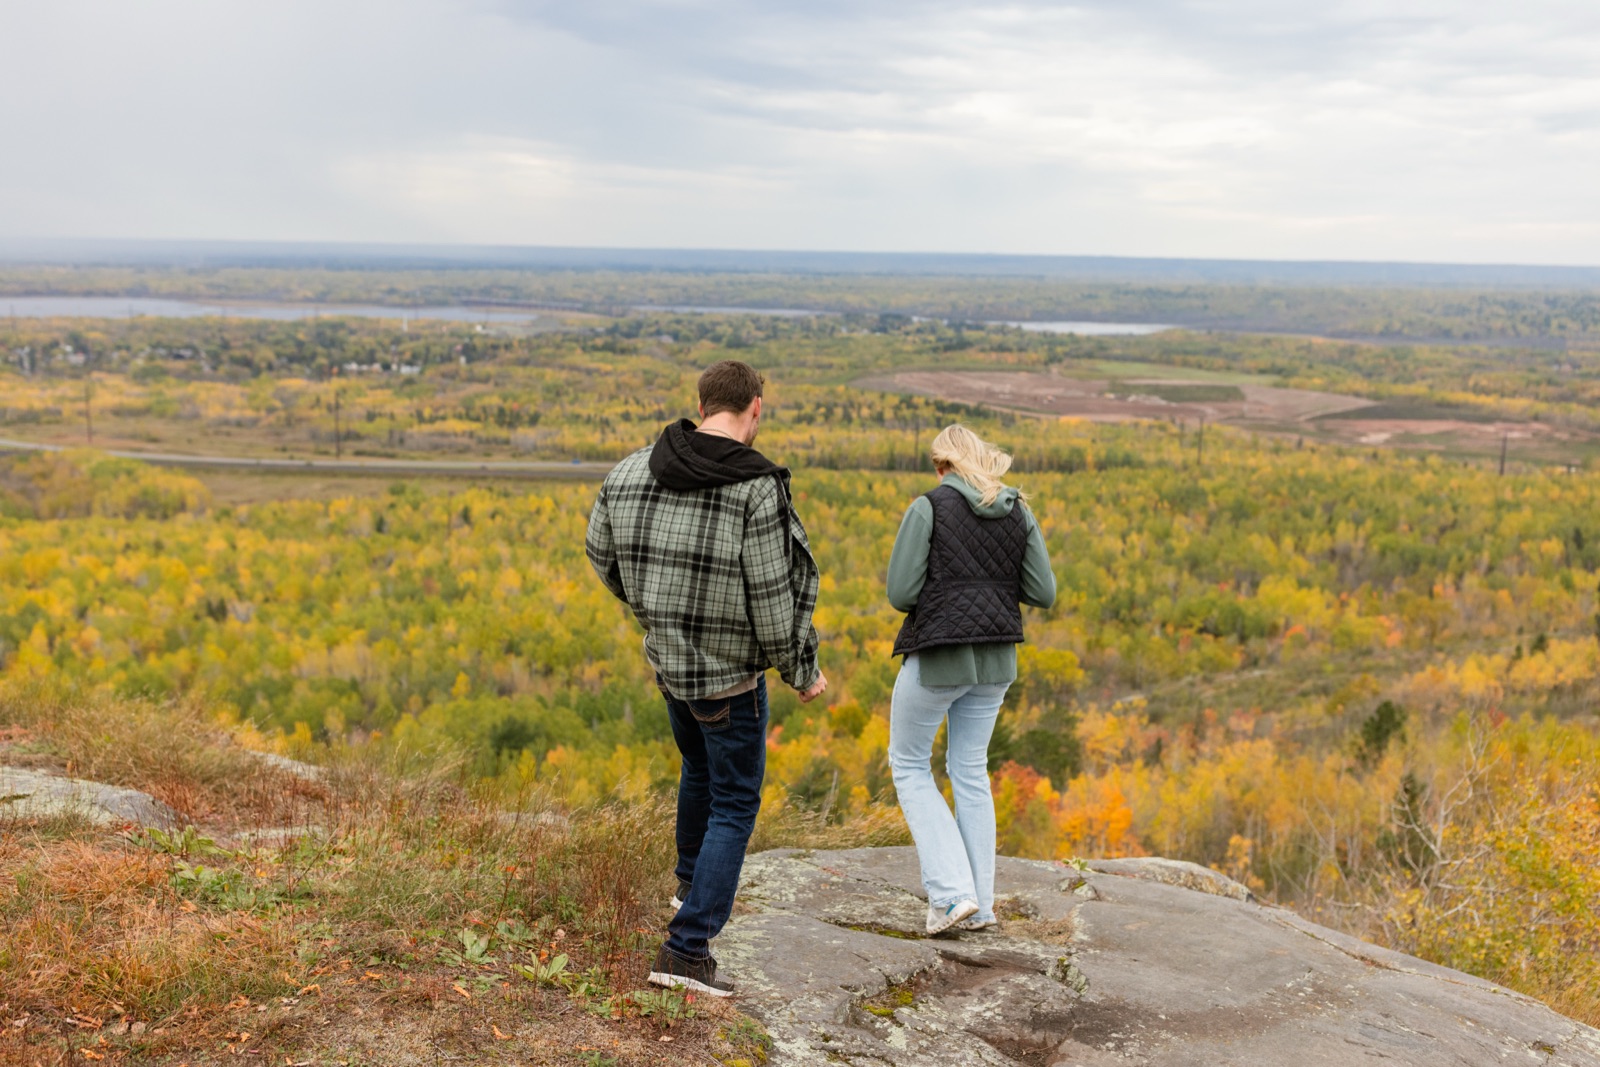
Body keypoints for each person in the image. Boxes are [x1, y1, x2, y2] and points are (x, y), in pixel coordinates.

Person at [585, 359, 827, 997]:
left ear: (702, 403)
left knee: (698, 770)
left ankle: (690, 888)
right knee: (735, 802)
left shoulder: (633, 468)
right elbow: (775, 600)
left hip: (670, 666)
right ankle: (686, 952)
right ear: (754, 409)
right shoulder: (754, 488)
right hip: (729, 682)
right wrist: (803, 668)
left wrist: (650, 609)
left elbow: (601, 553)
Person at [886, 424, 1056, 934]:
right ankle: (980, 905)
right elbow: (1042, 591)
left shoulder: (929, 507)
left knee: (910, 764)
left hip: (942, 655)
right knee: (970, 770)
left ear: (945, 465)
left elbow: (900, 591)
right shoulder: (1017, 509)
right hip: (998, 661)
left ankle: (950, 894)